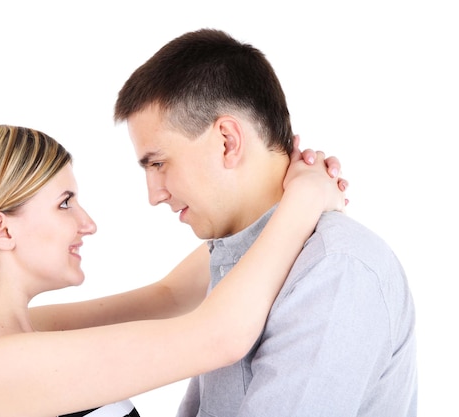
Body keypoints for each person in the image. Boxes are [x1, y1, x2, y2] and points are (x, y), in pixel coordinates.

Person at [0, 123, 346, 417]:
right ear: (1, 229)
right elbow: (219, 337)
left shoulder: (24, 335)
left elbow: (170, 296)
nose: (88, 223)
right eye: (65, 203)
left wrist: (266, 196)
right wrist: (303, 200)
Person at [110, 29, 417, 416]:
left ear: (227, 140)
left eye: (158, 163)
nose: (154, 194)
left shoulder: (335, 268)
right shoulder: (240, 263)